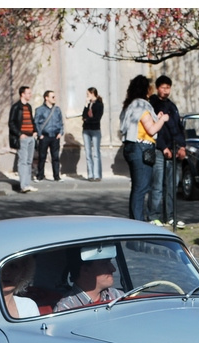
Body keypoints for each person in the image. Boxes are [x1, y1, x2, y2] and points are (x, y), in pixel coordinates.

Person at [119, 75, 168, 221]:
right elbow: (151, 129)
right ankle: (138, 221)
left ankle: (135, 218)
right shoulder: (142, 105)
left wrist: (156, 118)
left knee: (136, 187)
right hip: (142, 147)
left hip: (130, 147)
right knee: (141, 188)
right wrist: (163, 120)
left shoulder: (130, 105)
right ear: (145, 89)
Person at [147, 75, 186, 227]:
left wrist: (182, 146)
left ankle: (170, 215)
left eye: (168, 88)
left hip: (174, 150)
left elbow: (178, 128)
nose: (166, 91)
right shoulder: (153, 104)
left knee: (172, 185)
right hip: (159, 150)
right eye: (163, 88)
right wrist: (163, 147)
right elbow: (157, 130)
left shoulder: (172, 106)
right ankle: (153, 215)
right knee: (157, 185)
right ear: (157, 88)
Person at [54, 256, 123, 311]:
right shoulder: (66, 308)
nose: (113, 269)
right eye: (104, 263)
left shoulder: (118, 296)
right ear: (85, 270)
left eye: (109, 262)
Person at [8, 86, 38, 193]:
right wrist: (19, 134)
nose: (30, 95)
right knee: (23, 161)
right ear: (22, 94)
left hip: (31, 137)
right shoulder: (16, 107)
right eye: (28, 93)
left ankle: (27, 184)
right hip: (23, 137)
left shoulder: (29, 106)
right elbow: (11, 123)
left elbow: (31, 120)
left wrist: (34, 131)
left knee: (29, 161)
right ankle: (23, 186)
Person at [34, 90, 64, 181]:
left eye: (55, 96)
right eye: (52, 97)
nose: (54, 98)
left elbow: (61, 122)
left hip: (55, 136)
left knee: (55, 157)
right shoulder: (40, 110)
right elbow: (36, 122)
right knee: (42, 157)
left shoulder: (57, 109)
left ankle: (56, 176)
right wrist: (40, 134)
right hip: (44, 136)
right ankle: (40, 175)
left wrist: (60, 132)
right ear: (46, 98)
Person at [82, 88, 104, 181]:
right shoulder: (88, 104)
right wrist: (86, 105)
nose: (87, 96)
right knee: (88, 152)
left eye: (88, 94)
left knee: (96, 153)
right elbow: (83, 115)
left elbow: (97, 118)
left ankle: (97, 174)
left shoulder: (99, 104)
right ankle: (90, 174)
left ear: (92, 93)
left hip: (95, 130)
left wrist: (87, 119)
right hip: (86, 130)